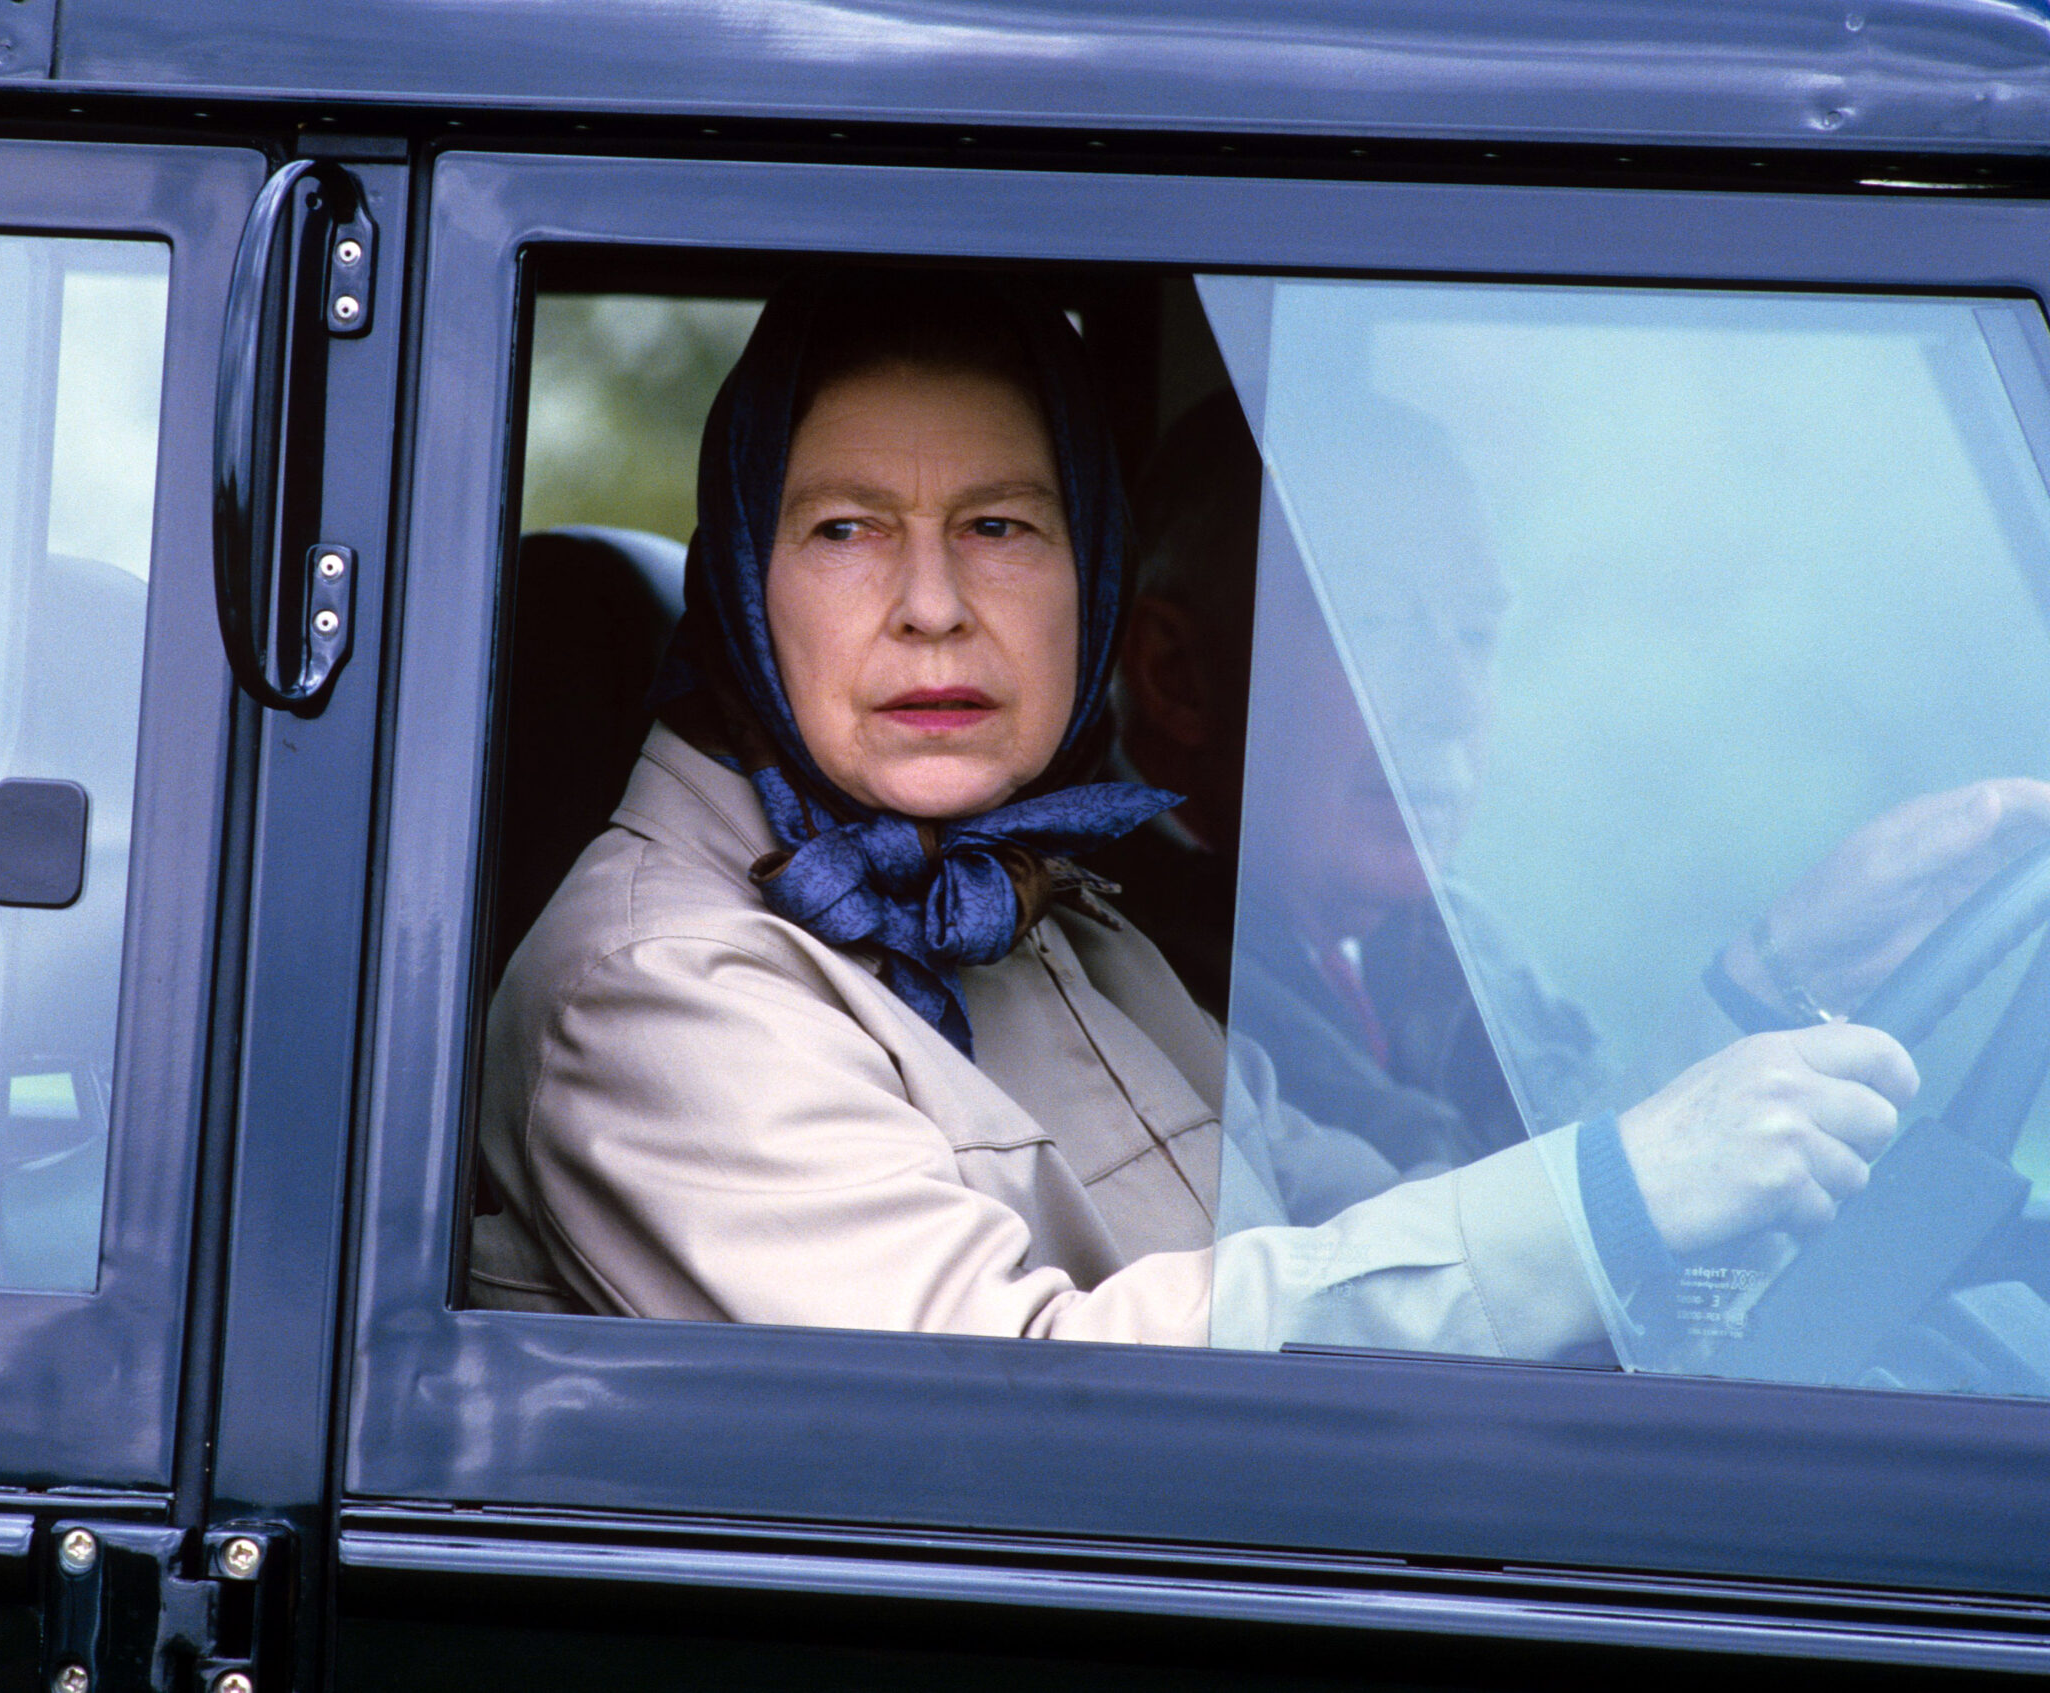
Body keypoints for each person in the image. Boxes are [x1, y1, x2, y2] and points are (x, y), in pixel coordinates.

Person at [466, 267, 1918, 1354]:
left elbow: (1397, 1202)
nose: (931, 608)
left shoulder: (1047, 914)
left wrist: (1755, 1020)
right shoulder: (650, 989)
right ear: (741, 583)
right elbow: (1013, 1415)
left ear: (1086, 580)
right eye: (845, 530)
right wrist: (1611, 1201)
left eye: (1002, 527)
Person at [1106, 388, 2050, 1201]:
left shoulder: (1440, 937)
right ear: (1177, 672)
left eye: (1477, 635)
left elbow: (1585, 1124)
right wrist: (1761, 980)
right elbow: (1443, 1247)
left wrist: (1788, 978)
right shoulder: (1116, 963)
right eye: (1379, 626)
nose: (1450, 707)